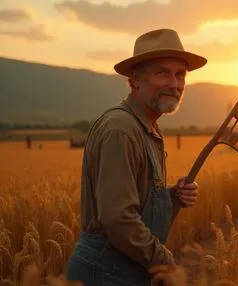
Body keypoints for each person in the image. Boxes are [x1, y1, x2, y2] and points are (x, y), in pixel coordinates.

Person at [66, 28, 207, 285]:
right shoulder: (121, 129)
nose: (174, 85)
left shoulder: (147, 127)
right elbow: (117, 218)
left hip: (126, 266)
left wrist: (171, 196)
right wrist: (164, 262)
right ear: (135, 78)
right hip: (106, 269)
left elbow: (134, 203)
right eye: (162, 72)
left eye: (180, 75)